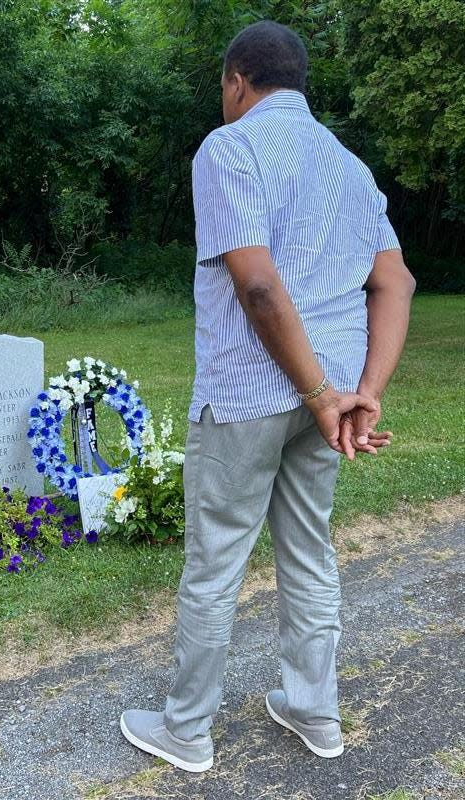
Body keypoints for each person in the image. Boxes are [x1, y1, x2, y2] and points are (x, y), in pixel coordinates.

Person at [119, 19, 416, 772]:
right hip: (334, 394)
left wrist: (320, 393)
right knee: (309, 548)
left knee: (216, 561)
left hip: (255, 393)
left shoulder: (230, 148)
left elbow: (255, 284)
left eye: (225, 87)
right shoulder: (350, 166)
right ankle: (315, 711)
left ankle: (187, 729)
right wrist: (359, 394)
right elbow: (397, 282)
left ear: (236, 82)